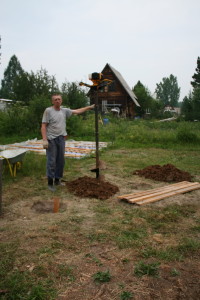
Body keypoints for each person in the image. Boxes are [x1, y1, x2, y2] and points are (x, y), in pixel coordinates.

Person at [41, 94, 94, 191]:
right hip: (51, 139)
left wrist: (89, 107)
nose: (57, 101)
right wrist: (44, 140)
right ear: (52, 101)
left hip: (61, 138)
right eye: (55, 99)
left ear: (61, 101)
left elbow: (77, 111)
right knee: (51, 161)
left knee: (61, 161)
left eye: (59, 99)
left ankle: (57, 180)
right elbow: (43, 126)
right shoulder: (48, 111)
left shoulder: (64, 111)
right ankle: (50, 183)